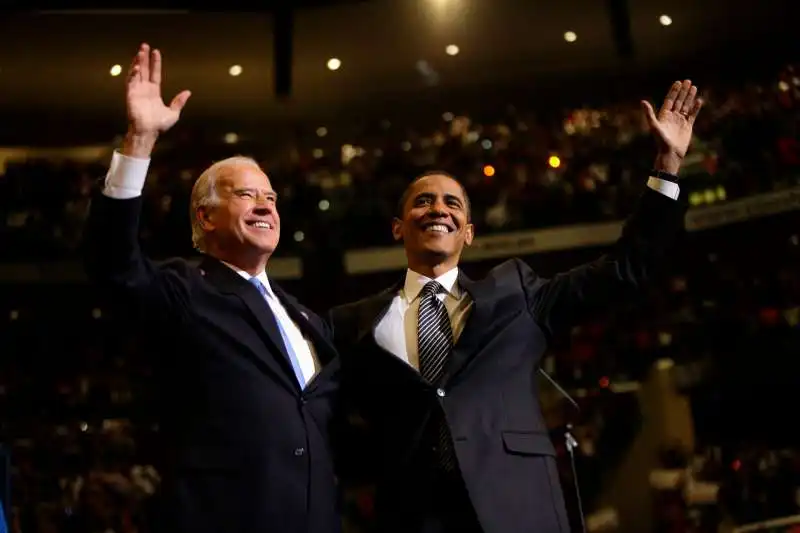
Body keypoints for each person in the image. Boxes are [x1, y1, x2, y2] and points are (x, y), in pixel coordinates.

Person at [328, 80, 704, 533]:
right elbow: (326, 417)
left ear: (468, 232)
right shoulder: (350, 323)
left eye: (452, 203)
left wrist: (667, 166)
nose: (437, 209)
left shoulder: (516, 294)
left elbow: (625, 269)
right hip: (411, 518)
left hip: (518, 510)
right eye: (422, 201)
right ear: (397, 227)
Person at [83, 43, 342, 533]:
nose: (265, 205)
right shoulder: (186, 290)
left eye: (270, 196)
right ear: (206, 216)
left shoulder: (307, 318)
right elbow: (112, 264)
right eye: (246, 195)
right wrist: (139, 139)